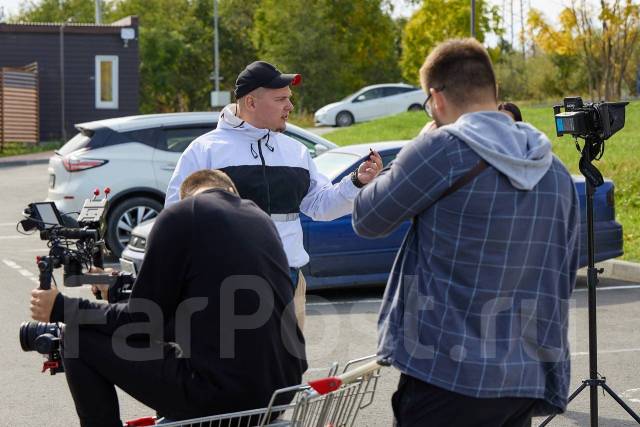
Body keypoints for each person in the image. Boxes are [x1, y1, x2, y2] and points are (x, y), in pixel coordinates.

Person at [353, 38, 580, 427]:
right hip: (523, 379)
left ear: (436, 99)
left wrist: (419, 144)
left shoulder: (441, 149)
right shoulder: (556, 171)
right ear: (493, 92)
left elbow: (368, 218)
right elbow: (566, 267)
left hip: (447, 375)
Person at [30, 169, 307, 427]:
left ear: (185, 196)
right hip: (279, 391)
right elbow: (198, 303)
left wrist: (62, 307)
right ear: (231, 192)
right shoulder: (260, 219)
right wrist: (115, 289)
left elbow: (142, 321)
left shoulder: (182, 215)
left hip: (223, 397)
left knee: (76, 337)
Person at [164, 61, 383, 330]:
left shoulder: (296, 151)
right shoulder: (205, 150)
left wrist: (356, 182)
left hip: (289, 278)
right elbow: (175, 217)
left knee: (289, 369)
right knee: (235, 369)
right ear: (251, 103)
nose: (289, 107)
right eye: (280, 99)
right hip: (225, 282)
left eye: (289, 99)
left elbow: (321, 206)